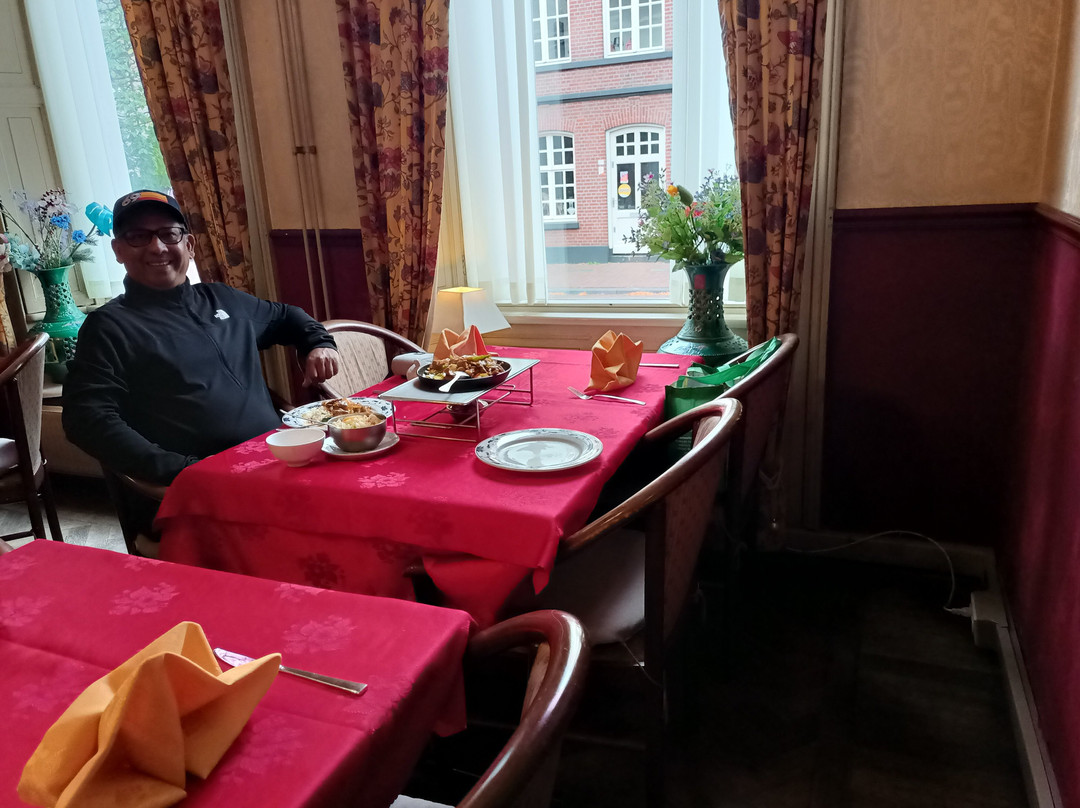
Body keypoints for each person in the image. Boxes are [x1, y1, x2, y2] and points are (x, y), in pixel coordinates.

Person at [63, 190, 340, 485]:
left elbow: (287, 316)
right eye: (138, 237)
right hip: (210, 482)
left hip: (279, 458)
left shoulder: (222, 298)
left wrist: (318, 343)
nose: (157, 247)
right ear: (118, 250)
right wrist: (183, 470)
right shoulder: (108, 327)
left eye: (169, 234)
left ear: (189, 245)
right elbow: (86, 419)